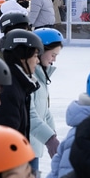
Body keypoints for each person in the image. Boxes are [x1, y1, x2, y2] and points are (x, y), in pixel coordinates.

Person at [0, 29, 42, 143]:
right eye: (35, 56)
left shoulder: (18, 83)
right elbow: (6, 139)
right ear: (22, 57)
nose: (38, 61)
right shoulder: (8, 90)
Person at [28, 28, 62, 165]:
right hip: (24, 149)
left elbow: (44, 110)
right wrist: (50, 139)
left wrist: (52, 133)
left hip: (34, 145)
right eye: (53, 54)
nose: (54, 60)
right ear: (39, 51)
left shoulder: (40, 76)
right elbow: (30, 114)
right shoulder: (29, 78)